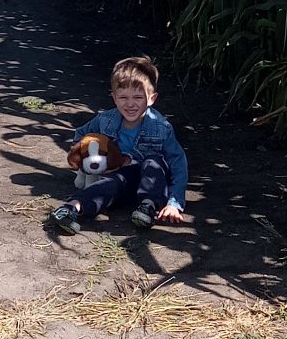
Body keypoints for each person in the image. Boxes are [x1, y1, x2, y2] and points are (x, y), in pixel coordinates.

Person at [50, 54, 190, 234]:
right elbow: (81, 135)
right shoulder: (105, 120)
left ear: (151, 99)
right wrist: (83, 163)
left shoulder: (161, 127)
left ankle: (147, 207)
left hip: (151, 181)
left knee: (153, 162)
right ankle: (70, 208)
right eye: (123, 97)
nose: (130, 104)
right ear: (114, 98)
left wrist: (174, 202)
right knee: (110, 183)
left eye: (138, 97)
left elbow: (178, 162)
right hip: (122, 179)